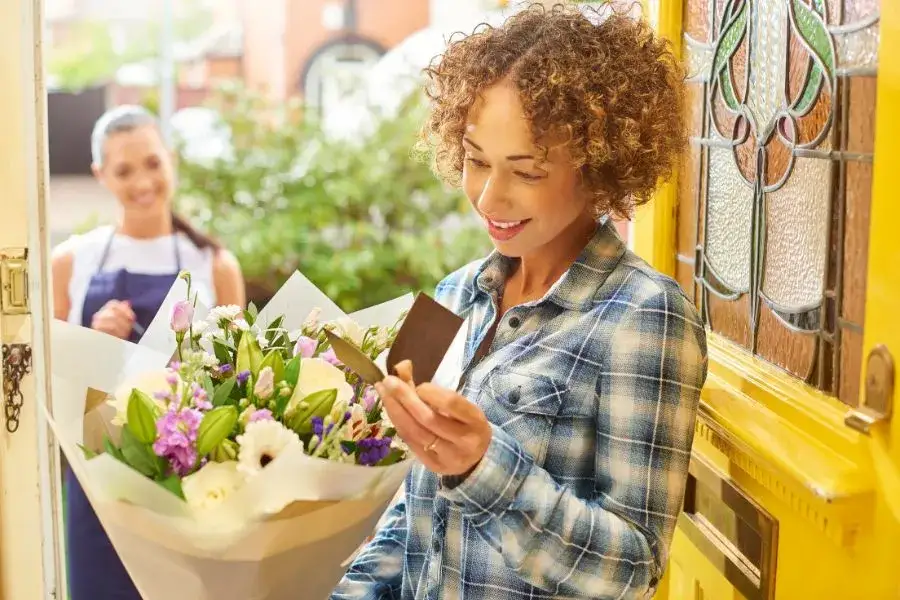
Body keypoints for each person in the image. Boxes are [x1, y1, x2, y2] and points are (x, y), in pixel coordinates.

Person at [332, 4, 708, 599]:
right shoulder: (452, 295)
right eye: (476, 160)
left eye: (526, 171)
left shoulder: (646, 316)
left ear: (598, 167)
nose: (488, 197)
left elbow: (632, 569)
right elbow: (412, 512)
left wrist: (481, 469)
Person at [51, 104, 245, 599]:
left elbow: (237, 381)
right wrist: (94, 338)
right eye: (123, 171)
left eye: (153, 163)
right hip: (100, 479)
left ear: (171, 160)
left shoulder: (214, 264)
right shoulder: (71, 261)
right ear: (100, 175)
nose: (142, 182)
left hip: (190, 481)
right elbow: (53, 381)